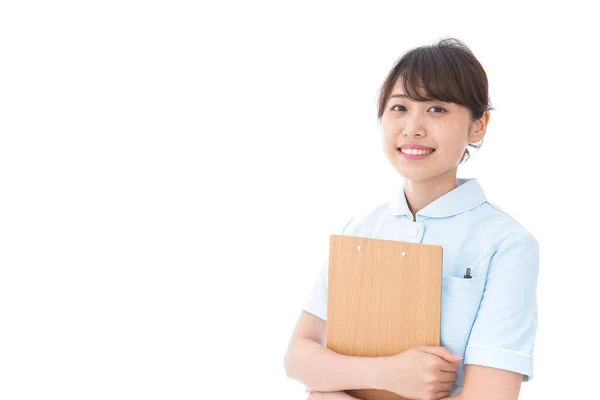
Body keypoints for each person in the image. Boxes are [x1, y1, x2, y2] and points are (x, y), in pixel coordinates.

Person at [283, 38, 540, 400]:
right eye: (399, 107)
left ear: (478, 126)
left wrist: (329, 390)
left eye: (436, 109)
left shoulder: (507, 244)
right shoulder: (361, 229)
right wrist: (387, 373)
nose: (413, 128)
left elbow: (491, 394)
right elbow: (298, 357)